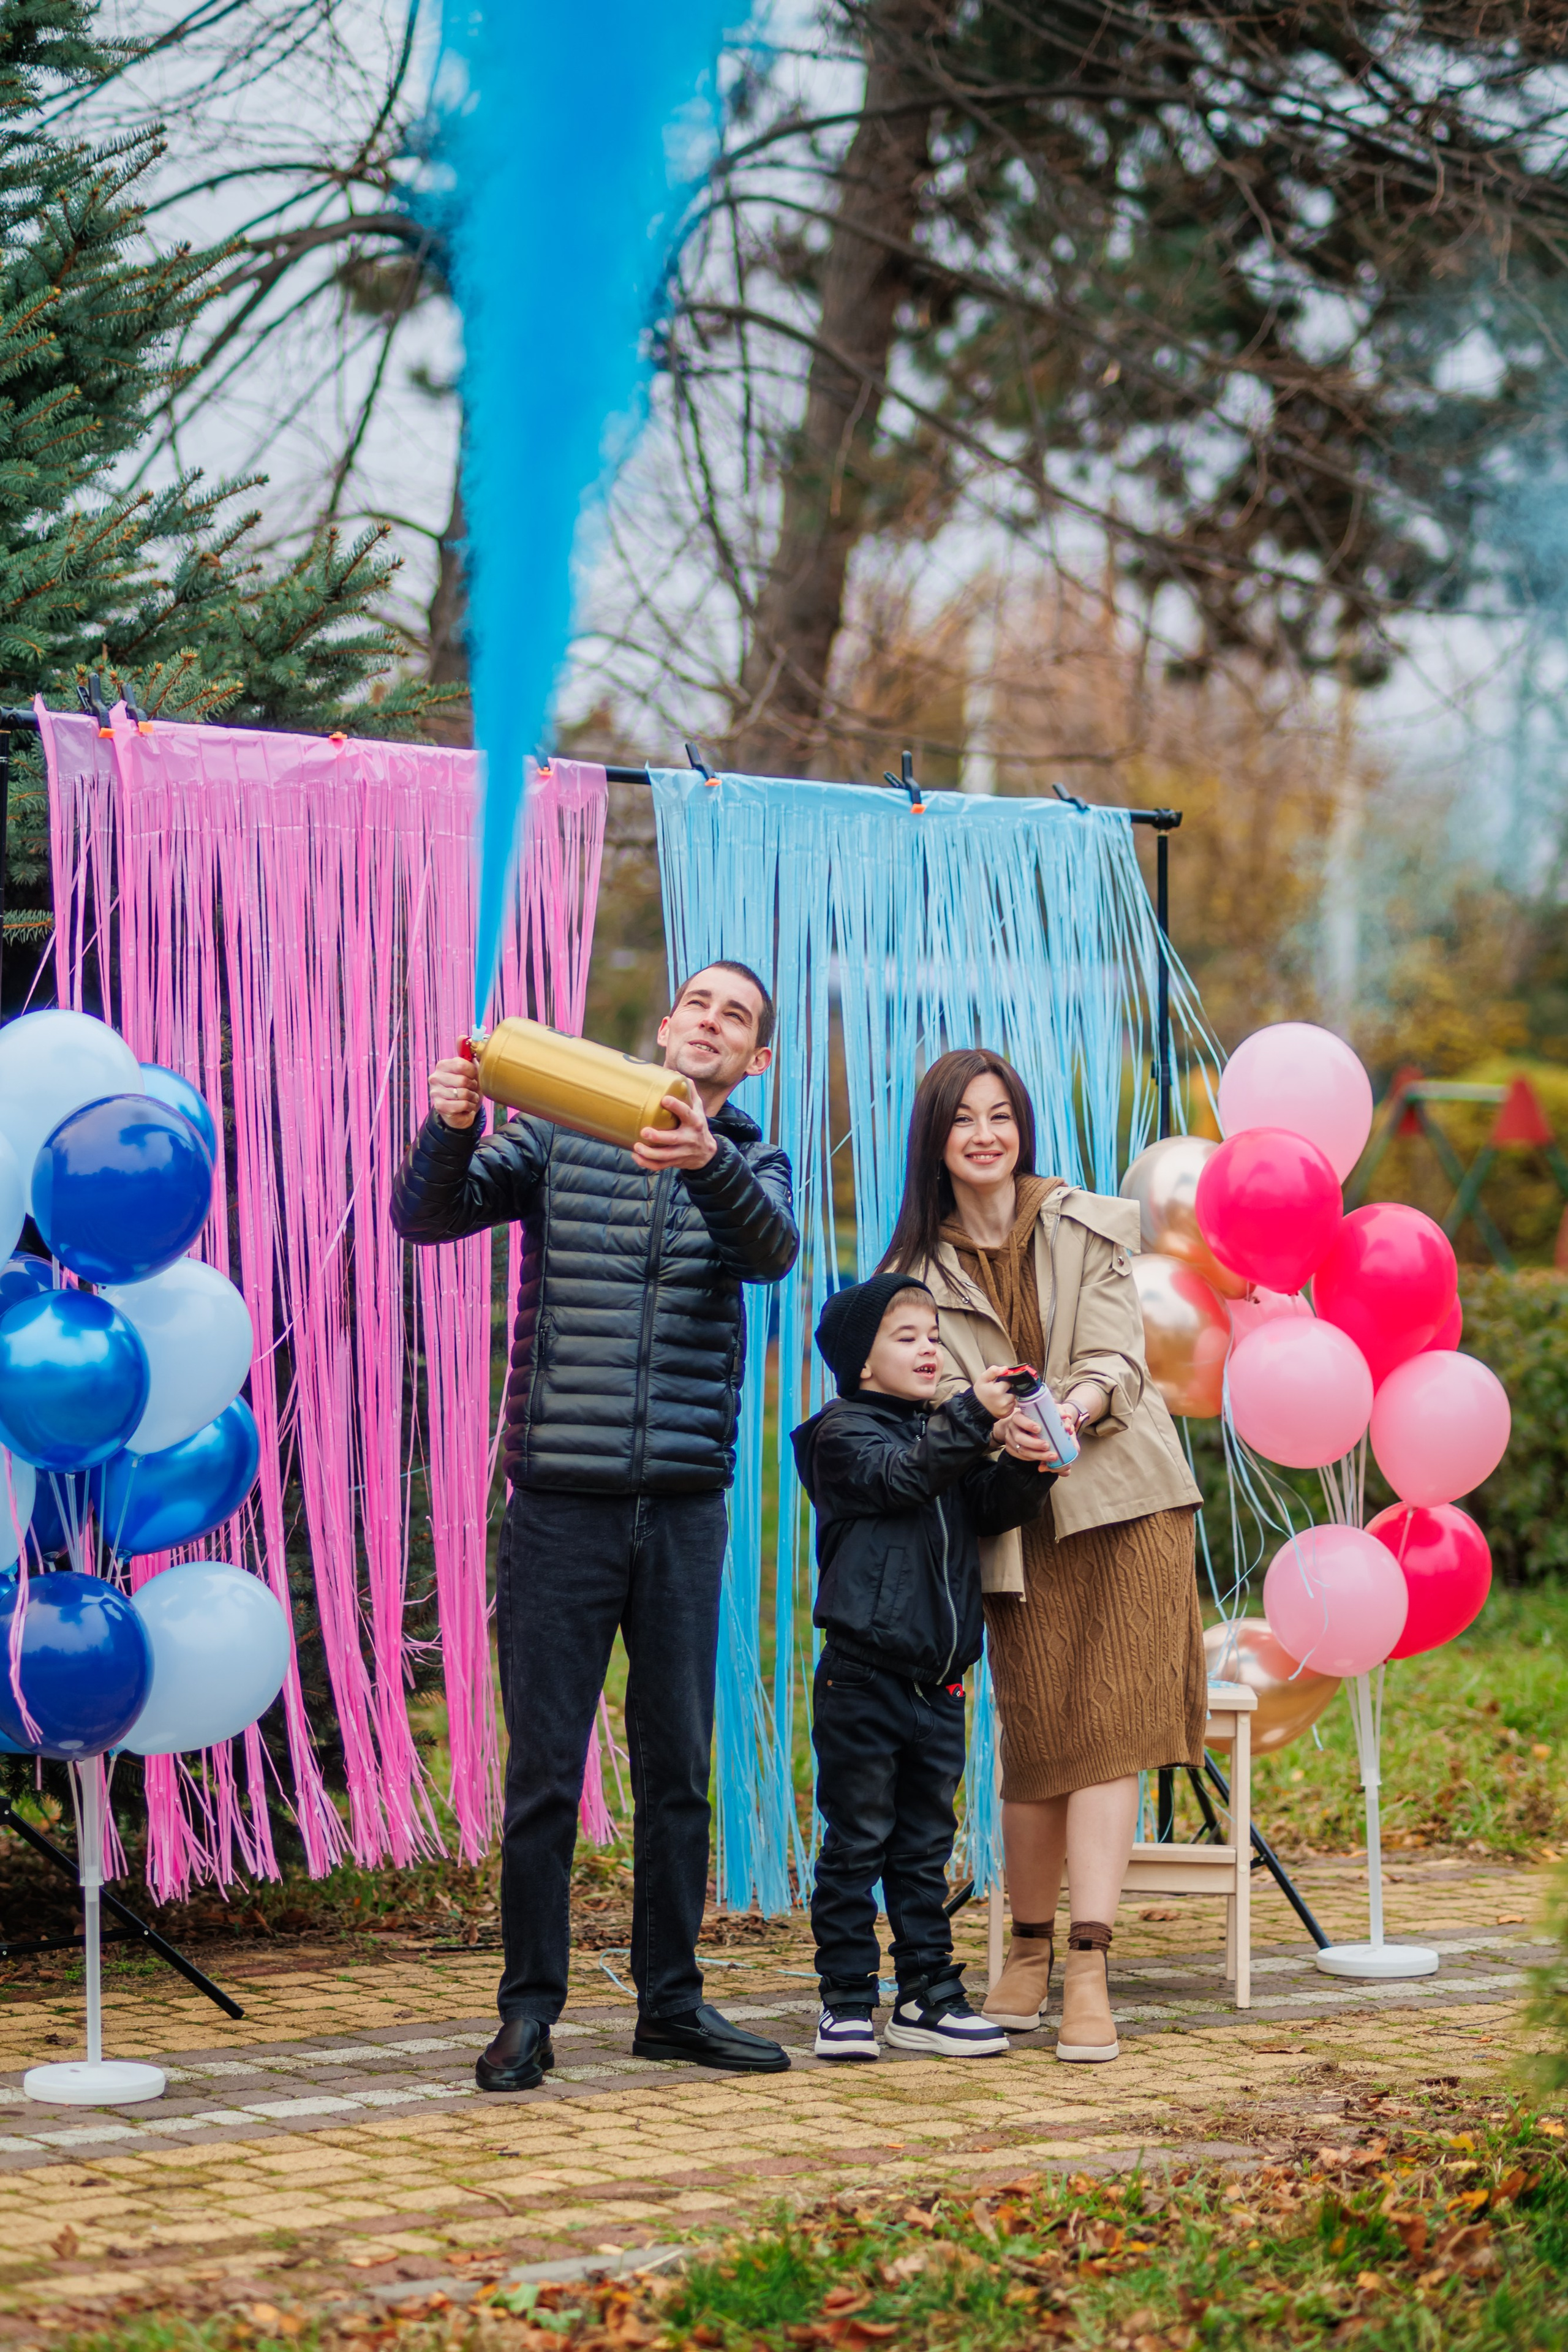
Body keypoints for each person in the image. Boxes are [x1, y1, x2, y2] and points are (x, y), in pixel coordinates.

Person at [391, 962, 799, 2090]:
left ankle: (673, 2005)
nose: (713, 1026)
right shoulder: (565, 1132)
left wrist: (709, 1160)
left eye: (739, 1021)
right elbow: (427, 1216)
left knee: (677, 1772)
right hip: (559, 1505)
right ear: (664, 1028)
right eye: (700, 1007)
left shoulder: (753, 1159)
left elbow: (772, 1252)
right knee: (545, 1773)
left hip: (681, 1510)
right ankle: (529, 2012)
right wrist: (450, 1127)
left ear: (753, 1060)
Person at [880, 1048, 1204, 2065]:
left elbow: (1121, 1357)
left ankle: (1091, 1965)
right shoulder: (912, 1273)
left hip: (1123, 1508)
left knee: (1106, 1730)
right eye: (964, 1119)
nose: (987, 1134)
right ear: (936, 1139)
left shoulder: (1090, 1221)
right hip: (1011, 1516)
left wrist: (1070, 1405)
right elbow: (921, 1393)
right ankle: (1026, 1948)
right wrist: (993, 1428)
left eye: (1003, 1116)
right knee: (1036, 1734)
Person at [791, 1272, 1051, 2062]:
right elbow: (899, 1478)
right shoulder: (841, 1435)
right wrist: (974, 1416)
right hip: (863, 1679)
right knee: (856, 1844)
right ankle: (843, 2001)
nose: (929, 1348)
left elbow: (987, 1507)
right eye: (907, 1337)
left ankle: (927, 1997)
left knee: (922, 1851)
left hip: (940, 1687)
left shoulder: (944, 1434)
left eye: (934, 1335)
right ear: (862, 1364)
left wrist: (1027, 1465)